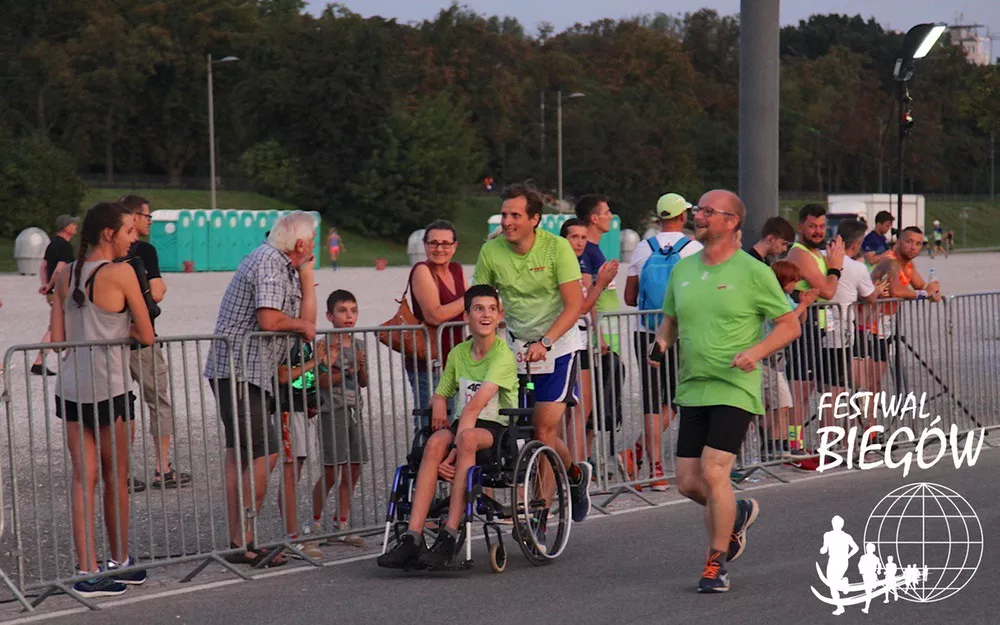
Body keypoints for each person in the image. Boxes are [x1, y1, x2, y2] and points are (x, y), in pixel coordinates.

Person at [654, 189, 800, 592]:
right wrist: (661, 342)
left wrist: (755, 352)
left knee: (715, 469)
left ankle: (716, 564)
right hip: (693, 386)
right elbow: (670, 320)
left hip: (735, 385)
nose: (698, 216)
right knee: (687, 481)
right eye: (697, 210)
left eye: (707, 211)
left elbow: (789, 325)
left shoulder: (753, 272)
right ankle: (735, 512)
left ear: (731, 221)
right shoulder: (683, 270)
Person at [49, 202, 155, 597]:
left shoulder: (65, 273)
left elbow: (59, 340)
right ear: (109, 233)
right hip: (109, 386)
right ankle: (121, 559)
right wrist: (121, 328)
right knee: (116, 476)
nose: (133, 237)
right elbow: (147, 335)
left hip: (72, 387)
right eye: (128, 230)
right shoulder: (121, 273)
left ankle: (86, 568)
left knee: (83, 477)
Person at [472, 183, 593, 522]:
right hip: (517, 347)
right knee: (523, 430)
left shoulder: (556, 248)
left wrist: (547, 342)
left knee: (542, 429)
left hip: (559, 345)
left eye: (515, 215)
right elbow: (479, 299)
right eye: (504, 214)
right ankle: (574, 473)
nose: (507, 221)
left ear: (534, 219)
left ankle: (540, 513)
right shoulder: (491, 251)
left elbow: (574, 305)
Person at [204, 211, 317, 568]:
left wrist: (307, 275)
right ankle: (245, 540)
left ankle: (240, 540)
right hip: (240, 369)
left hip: (250, 371)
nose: (314, 246)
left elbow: (309, 324)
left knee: (240, 452)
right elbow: (270, 319)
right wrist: (300, 325)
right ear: (300, 243)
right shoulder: (269, 262)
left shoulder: (284, 266)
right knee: (264, 451)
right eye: (312, 240)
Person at [377, 284, 518, 570]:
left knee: (465, 440)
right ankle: (413, 536)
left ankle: (450, 534)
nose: (486, 315)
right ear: (466, 316)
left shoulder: (502, 355)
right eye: (479, 309)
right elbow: (441, 392)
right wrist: (440, 400)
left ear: (499, 316)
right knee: (434, 442)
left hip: (494, 427)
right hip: (463, 423)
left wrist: (452, 454)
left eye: (492, 309)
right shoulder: (458, 353)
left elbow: (475, 407)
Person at [623, 193, 702, 491]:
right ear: (683, 216)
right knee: (679, 397)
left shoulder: (643, 247)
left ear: (659, 218)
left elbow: (630, 298)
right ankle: (644, 457)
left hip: (645, 331)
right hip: (680, 331)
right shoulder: (694, 249)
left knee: (652, 399)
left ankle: (650, 464)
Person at [119, 195, 191, 491]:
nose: (149, 221)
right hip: (142, 337)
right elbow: (158, 292)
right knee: (158, 400)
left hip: (111, 340)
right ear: (133, 217)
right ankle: (163, 468)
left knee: (120, 404)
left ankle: (121, 472)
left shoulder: (103, 253)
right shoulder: (144, 251)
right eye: (147, 216)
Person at [310, 290, 368, 548]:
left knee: (354, 466)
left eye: (353, 311)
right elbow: (322, 380)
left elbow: (363, 382)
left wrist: (361, 367)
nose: (349, 316)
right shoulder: (324, 345)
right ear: (330, 316)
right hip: (331, 410)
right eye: (342, 311)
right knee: (332, 469)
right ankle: (314, 522)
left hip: (354, 409)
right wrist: (349, 369)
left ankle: (341, 523)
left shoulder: (358, 344)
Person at [784, 204, 844, 452]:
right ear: (801, 227)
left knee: (819, 388)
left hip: (819, 327)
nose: (818, 231)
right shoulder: (800, 254)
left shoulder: (816, 254)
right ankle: (794, 444)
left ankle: (821, 443)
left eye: (821, 226)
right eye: (812, 226)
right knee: (801, 390)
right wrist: (835, 267)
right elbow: (828, 291)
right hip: (804, 328)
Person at [559, 218, 617, 465]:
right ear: (563, 239)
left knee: (582, 406)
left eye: (583, 237)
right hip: (564, 343)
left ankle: (577, 466)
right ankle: (567, 465)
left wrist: (597, 331)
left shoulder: (579, 265)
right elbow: (581, 305)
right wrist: (600, 283)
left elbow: (588, 302)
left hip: (580, 341)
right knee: (566, 409)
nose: (580, 242)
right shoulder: (561, 265)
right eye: (574, 237)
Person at [406, 220, 466, 432]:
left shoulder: (457, 270)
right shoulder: (421, 270)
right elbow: (434, 315)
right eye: (433, 243)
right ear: (425, 245)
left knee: (453, 421)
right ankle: (424, 454)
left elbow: (467, 313)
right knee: (430, 423)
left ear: (455, 246)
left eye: (445, 243)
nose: (439, 249)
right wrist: (470, 298)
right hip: (430, 362)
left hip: (455, 360)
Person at [275, 336, 324, 560]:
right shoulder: (286, 340)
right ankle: (291, 536)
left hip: (304, 406)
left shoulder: (302, 340)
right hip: (288, 408)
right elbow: (283, 375)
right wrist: (315, 362)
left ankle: (293, 533)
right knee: (290, 470)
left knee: (297, 469)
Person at [35, 214, 80, 376]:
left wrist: (45, 284)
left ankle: (42, 361)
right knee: (56, 326)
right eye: (73, 224)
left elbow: (44, 266)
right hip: (60, 291)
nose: (75, 226)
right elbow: (60, 269)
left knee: (60, 323)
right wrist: (50, 285)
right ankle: (39, 362)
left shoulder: (52, 244)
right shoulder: (65, 246)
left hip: (52, 291)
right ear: (66, 227)